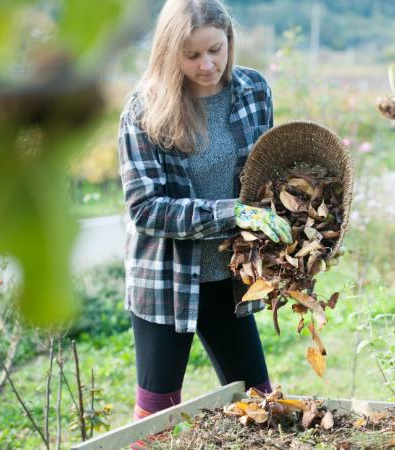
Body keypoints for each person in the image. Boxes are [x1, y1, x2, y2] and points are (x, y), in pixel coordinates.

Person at [117, 0, 293, 426]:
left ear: (229, 40)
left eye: (216, 49)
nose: (207, 64)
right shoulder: (143, 112)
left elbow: (264, 176)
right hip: (164, 282)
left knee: (258, 404)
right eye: (192, 55)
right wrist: (234, 213)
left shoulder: (253, 90)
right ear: (168, 52)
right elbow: (146, 209)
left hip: (230, 279)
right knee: (155, 417)